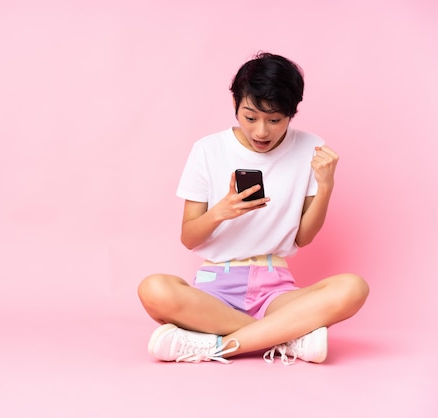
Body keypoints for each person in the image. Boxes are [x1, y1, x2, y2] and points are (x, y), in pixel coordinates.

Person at [137, 52, 369, 365]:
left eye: (274, 120)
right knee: (154, 289)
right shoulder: (208, 149)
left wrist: (326, 186)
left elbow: (302, 238)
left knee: (353, 288)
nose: (261, 131)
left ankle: (214, 346)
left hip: (276, 291)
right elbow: (189, 238)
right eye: (250, 117)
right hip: (214, 290)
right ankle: (285, 339)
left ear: (292, 112)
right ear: (235, 106)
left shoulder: (310, 148)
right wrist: (222, 211)